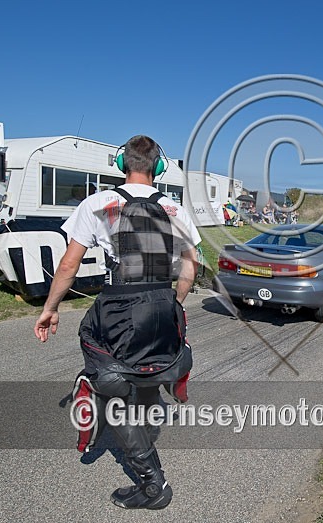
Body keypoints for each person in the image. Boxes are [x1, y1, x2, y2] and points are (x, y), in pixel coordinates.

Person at [34, 135, 200, 511]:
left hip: (120, 303)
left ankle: (152, 484)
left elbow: (69, 264)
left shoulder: (97, 203)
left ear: (120, 163)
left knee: (110, 378)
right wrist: (175, 302)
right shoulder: (176, 210)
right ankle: (140, 406)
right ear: (159, 167)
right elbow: (191, 264)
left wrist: (50, 308)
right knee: (143, 369)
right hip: (163, 300)